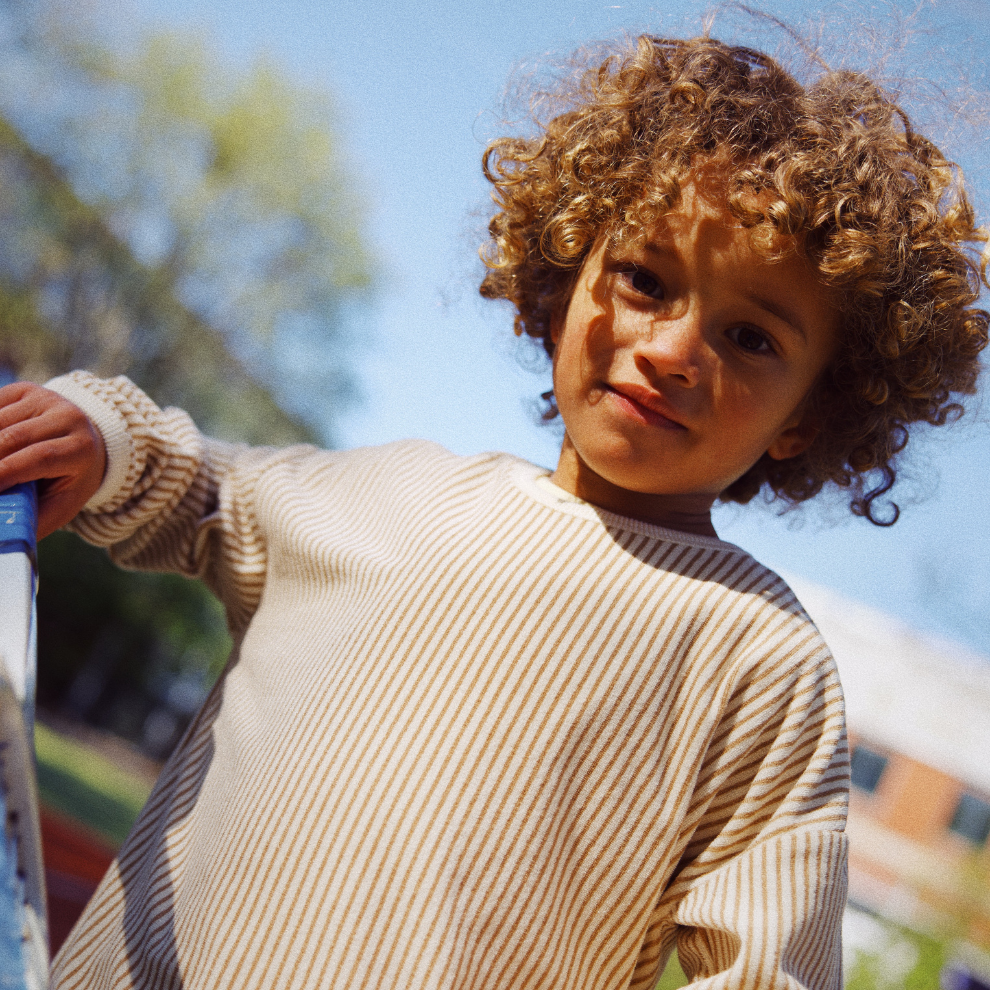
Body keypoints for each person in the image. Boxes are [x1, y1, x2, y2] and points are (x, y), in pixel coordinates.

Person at [0, 33, 986, 990]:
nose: (672, 351)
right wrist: (93, 437)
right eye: (644, 280)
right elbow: (195, 485)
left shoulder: (761, 665)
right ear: (565, 280)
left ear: (808, 416)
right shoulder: (389, 492)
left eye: (751, 338)